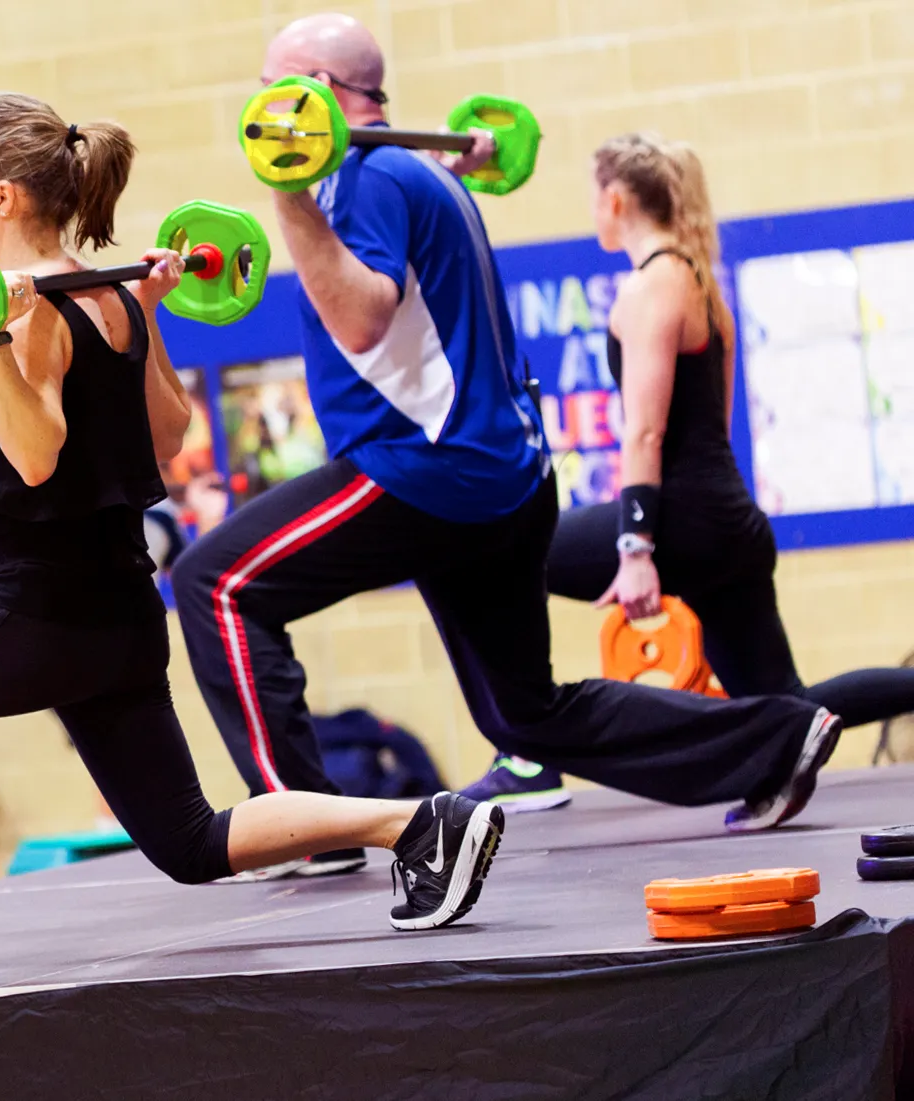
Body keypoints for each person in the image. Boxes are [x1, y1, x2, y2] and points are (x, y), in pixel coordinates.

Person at [0, 92, 510, 984]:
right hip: (121, 617)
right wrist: (151, 311)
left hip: (34, 614)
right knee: (190, 840)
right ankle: (417, 823)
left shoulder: (29, 315)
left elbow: (37, 456)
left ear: (5, 196)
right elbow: (169, 434)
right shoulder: (116, 302)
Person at [170, 14, 844, 880]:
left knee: (216, 584)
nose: (260, 107)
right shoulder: (417, 173)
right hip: (507, 482)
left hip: (426, 469)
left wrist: (286, 194)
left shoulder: (366, 178)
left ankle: (308, 824)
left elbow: (364, 318)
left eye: (275, 86)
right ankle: (776, 739)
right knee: (526, 717)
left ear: (319, 91)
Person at [463, 133, 914, 809]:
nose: (593, 212)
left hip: (682, 523)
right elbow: (712, 427)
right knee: (790, 706)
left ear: (615, 199)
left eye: (593, 197)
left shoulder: (650, 288)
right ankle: (781, 767)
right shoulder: (701, 279)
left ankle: (526, 755)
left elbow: (645, 432)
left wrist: (635, 549)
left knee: (499, 555)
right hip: (727, 524)